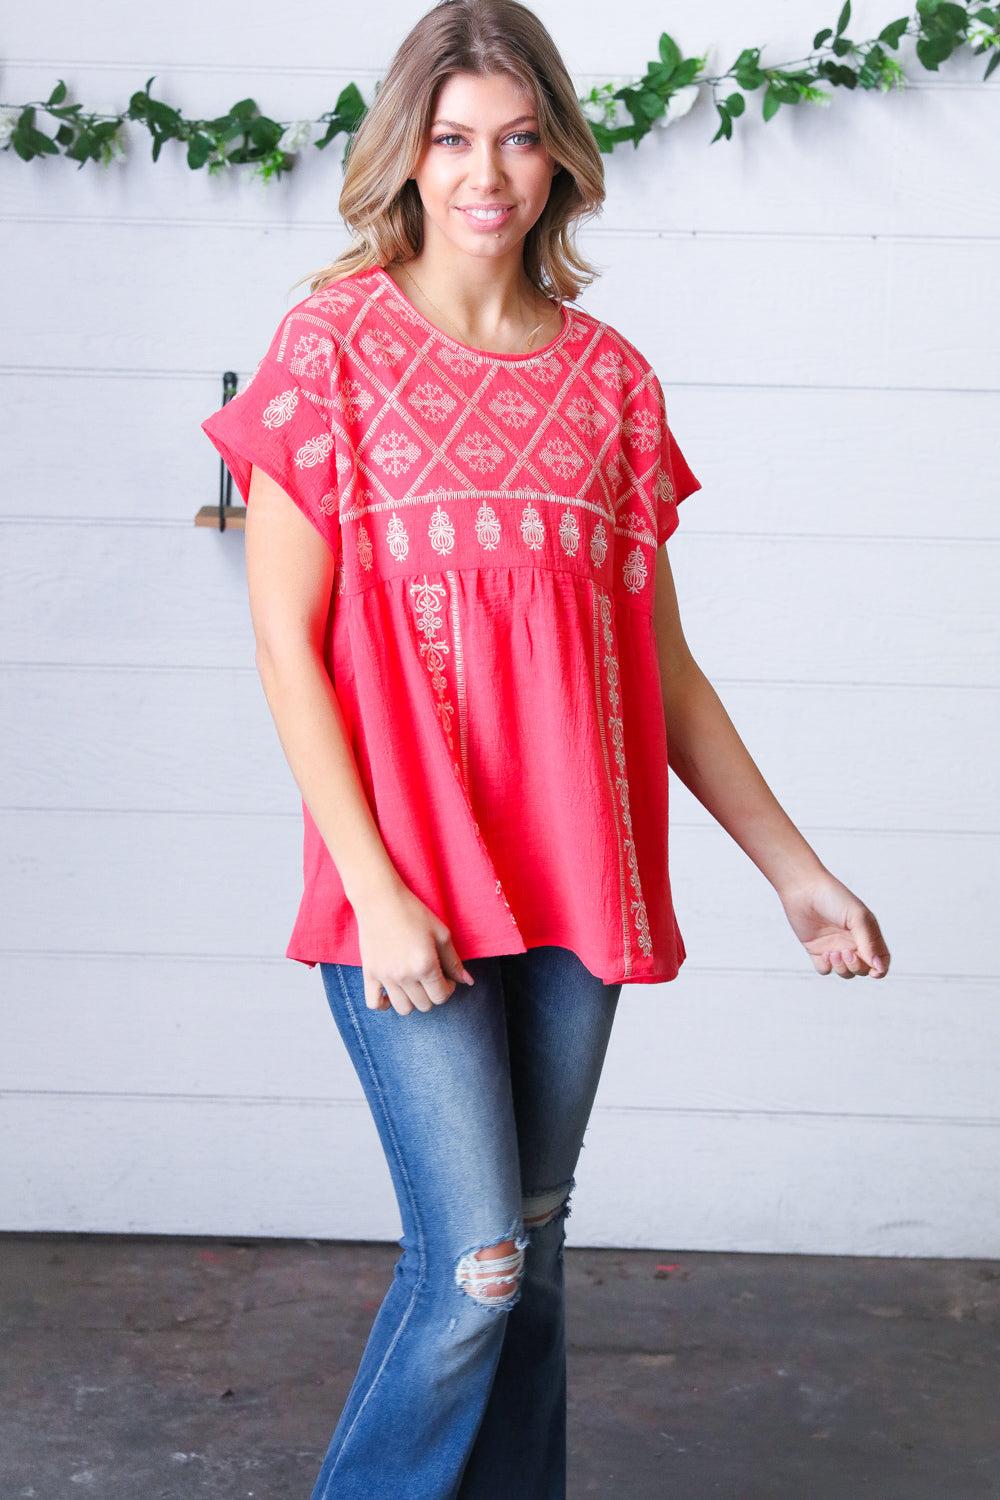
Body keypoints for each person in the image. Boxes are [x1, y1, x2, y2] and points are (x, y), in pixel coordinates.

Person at [203, 1, 890, 1494]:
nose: (485, 174)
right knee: (475, 1267)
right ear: (407, 153)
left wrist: (797, 873)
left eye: (518, 139)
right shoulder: (330, 351)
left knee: (537, 1242)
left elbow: (661, 667)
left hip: (578, 881)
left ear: (560, 157)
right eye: (453, 139)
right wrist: (377, 893)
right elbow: (284, 647)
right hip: (407, 889)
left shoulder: (610, 382)